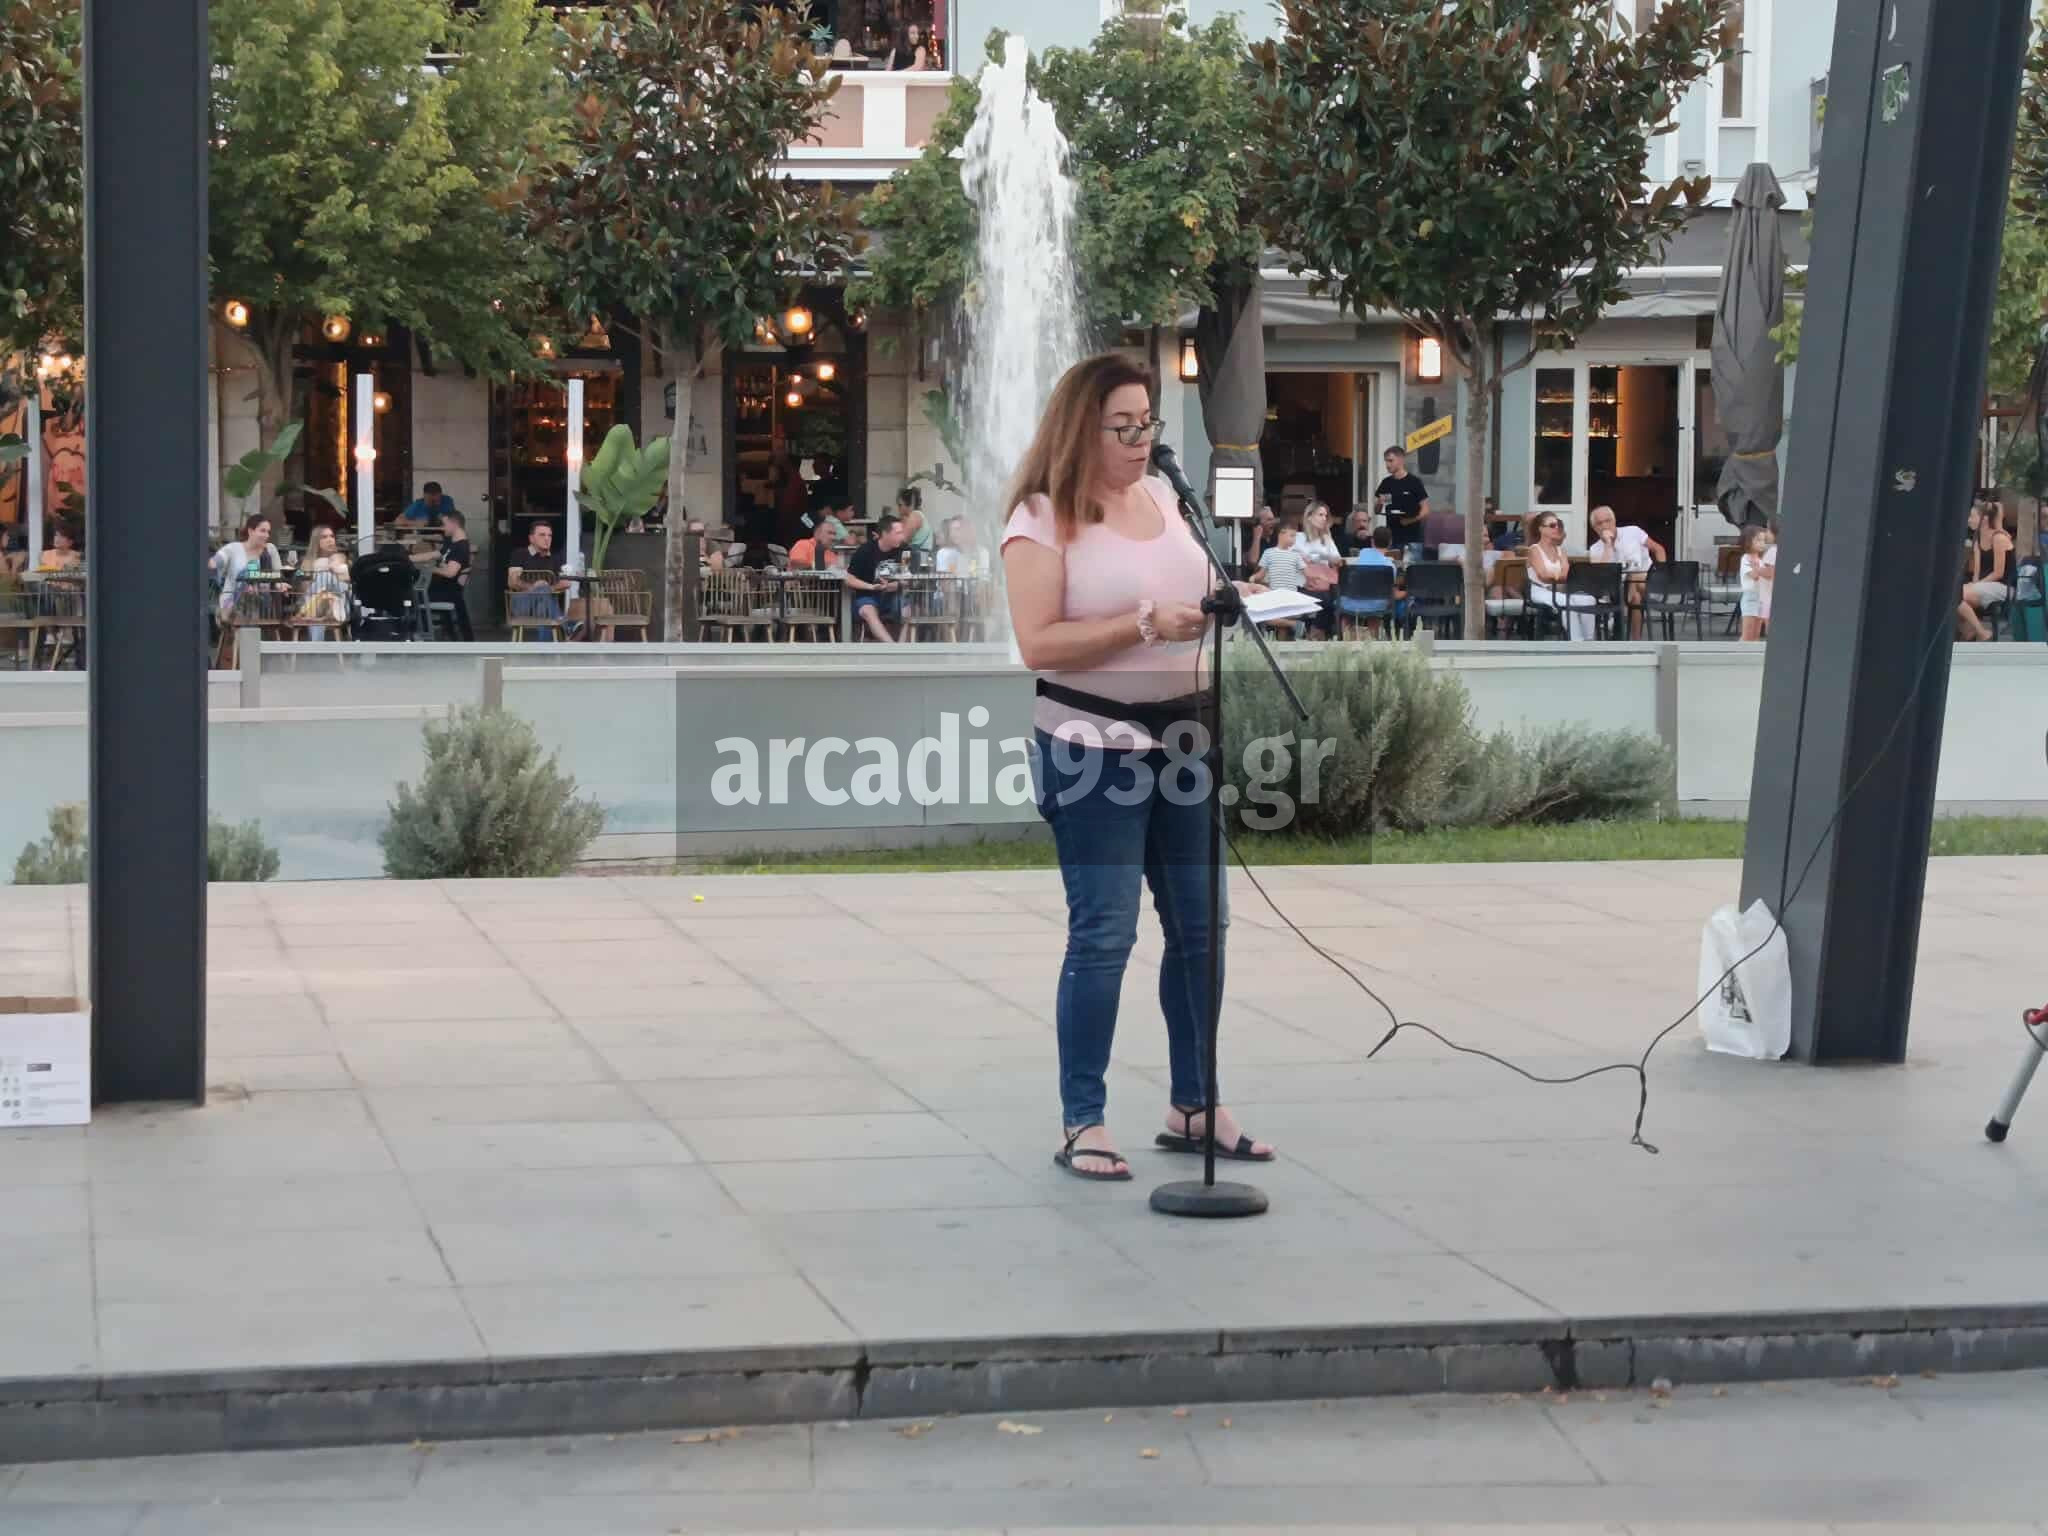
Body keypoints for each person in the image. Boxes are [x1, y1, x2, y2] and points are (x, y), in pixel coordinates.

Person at [1001, 351, 1274, 1184]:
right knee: (1105, 934)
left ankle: (1195, 1104)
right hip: (1092, 750)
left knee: (1201, 930)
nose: (1138, 439)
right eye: (1119, 426)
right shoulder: (1042, 516)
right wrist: (1144, 625)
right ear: (1078, 428)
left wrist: (1227, 604)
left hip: (1186, 740)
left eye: (1145, 422)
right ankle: (1082, 1118)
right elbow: (1038, 644)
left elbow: (1189, 591)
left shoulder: (1165, 496)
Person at [1587, 504, 1667, 639]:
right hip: (1619, 591)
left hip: (1650, 584)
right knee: (1635, 597)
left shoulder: (1633, 532)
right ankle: (1635, 642)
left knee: (1633, 576)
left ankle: (1618, 618)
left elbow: (1659, 549)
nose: (1605, 526)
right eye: (1599, 523)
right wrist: (1608, 546)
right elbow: (1600, 575)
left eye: (1608, 521)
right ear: (1594, 528)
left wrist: (1661, 573)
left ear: (1614, 521)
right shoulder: (1595, 549)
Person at [1525, 511, 1596, 641]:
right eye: (1552, 525)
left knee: (1588, 600)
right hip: (1540, 590)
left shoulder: (1561, 551)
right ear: (1541, 529)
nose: (1557, 528)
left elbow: (1567, 574)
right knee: (1567, 602)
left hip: (1561, 590)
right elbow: (1543, 575)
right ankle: (1576, 641)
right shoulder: (1534, 550)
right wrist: (1559, 576)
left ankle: (1589, 640)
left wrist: (1555, 577)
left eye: (1558, 524)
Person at [845, 511, 910, 641]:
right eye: (898, 533)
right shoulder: (865, 551)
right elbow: (849, 579)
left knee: (911, 609)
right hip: (867, 596)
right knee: (868, 611)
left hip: (893, 596)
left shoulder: (904, 550)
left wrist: (894, 585)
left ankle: (902, 647)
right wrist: (871, 587)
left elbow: (907, 577)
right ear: (885, 533)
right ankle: (892, 647)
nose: (902, 537)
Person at [1959, 500, 2015, 642]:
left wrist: (1975, 585)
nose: (1968, 520)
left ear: (1984, 519)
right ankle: (1970, 630)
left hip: (2003, 586)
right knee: (1953, 595)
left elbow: (1998, 573)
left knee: (1957, 594)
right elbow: (1977, 572)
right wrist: (1974, 583)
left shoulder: (1999, 538)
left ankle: (1981, 632)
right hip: (1984, 585)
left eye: (1972, 516)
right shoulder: (1977, 539)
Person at [509, 521, 572, 640]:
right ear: (531, 538)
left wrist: (547, 588)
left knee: (544, 604)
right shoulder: (520, 554)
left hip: (543, 606)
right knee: (543, 591)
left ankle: (544, 647)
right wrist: (534, 588)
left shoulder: (555, 559)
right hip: (522, 605)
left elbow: (566, 583)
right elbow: (512, 582)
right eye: (542, 535)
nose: (547, 539)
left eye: (549, 535)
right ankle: (567, 628)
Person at [209, 513, 279, 616]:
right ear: (250, 531)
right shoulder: (233, 548)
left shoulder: (270, 549)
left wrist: (281, 584)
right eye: (262, 531)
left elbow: (278, 575)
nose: (267, 535)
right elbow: (216, 561)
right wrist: (212, 562)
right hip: (231, 606)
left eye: (268, 532)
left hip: (258, 607)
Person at [1339, 528, 1399, 639]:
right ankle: (1373, 639)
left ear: (1372, 541)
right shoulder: (1390, 567)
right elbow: (1391, 592)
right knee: (1378, 606)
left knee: (1346, 611)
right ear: (1390, 542)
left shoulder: (1359, 557)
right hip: (1377, 605)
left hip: (1352, 603)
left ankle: (1345, 639)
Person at [296, 523, 351, 641]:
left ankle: (311, 611)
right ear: (316, 541)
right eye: (324, 537)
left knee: (324, 576)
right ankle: (316, 646)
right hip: (318, 606)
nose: (330, 540)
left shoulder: (342, 560)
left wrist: (334, 569)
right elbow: (304, 590)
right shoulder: (306, 563)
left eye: (332, 536)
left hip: (339, 606)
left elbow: (347, 586)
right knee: (317, 612)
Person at [429, 508, 475, 641]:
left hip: (447, 591)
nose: (442, 528)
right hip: (444, 589)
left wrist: (429, 569)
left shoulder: (461, 547)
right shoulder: (452, 543)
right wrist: (411, 558)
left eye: (444, 524)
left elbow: (450, 573)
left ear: (454, 524)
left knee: (413, 596)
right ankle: (451, 636)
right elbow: (436, 554)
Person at [1375, 446, 1430, 553]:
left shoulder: (1414, 482)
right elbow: (1377, 510)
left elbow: (1426, 510)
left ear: (1401, 460)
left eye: (1391, 461)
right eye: (1386, 461)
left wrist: (1410, 520)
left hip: (1412, 539)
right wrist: (1379, 503)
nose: (1387, 465)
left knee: (1410, 563)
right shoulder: (1386, 483)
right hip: (1391, 539)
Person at [1737, 524, 1771, 642]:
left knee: (1756, 635)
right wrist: (1760, 571)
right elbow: (1754, 576)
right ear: (1748, 541)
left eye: (1763, 540)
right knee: (1747, 635)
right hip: (1750, 597)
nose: (1762, 544)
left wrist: (1761, 570)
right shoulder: (1746, 558)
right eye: (1758, 540)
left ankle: (1749, 653)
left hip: (1761, 598)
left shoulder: (1761, 561)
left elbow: (1766, 577)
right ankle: (1737, 652)